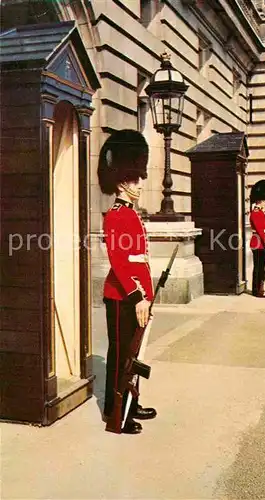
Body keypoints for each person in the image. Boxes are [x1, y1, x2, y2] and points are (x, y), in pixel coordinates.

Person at [98, 129, 157, 434]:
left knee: (134, 356)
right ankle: (114, 413)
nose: (139, 183)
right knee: (121, 356)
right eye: (134, 179)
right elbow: (120, 263)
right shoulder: (116, 216)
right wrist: (138, 298)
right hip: (123, 299)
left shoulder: (131, 214)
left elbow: (137, 258)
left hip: (136, 296)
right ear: (122, 180)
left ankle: (131, 405)